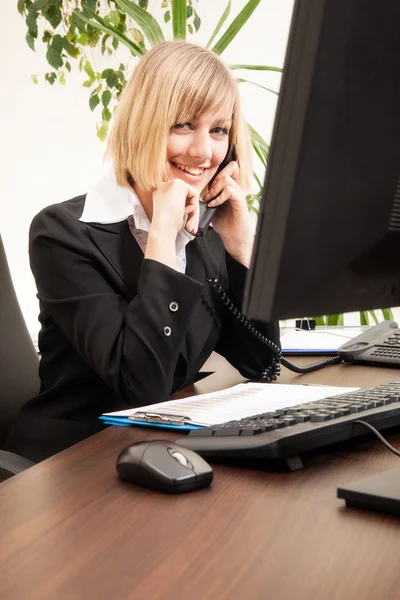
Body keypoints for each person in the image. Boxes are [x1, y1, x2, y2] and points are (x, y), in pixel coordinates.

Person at [6, 40, 280, 463]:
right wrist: (162, 238)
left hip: (160, 452)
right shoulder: (61, 234)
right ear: (144, 124)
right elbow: (142, 386)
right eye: (183, 125)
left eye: (219, 130)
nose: (204, 152)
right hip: (72, 464)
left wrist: (240, 246)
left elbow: (260, 361)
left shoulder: (204, 231)